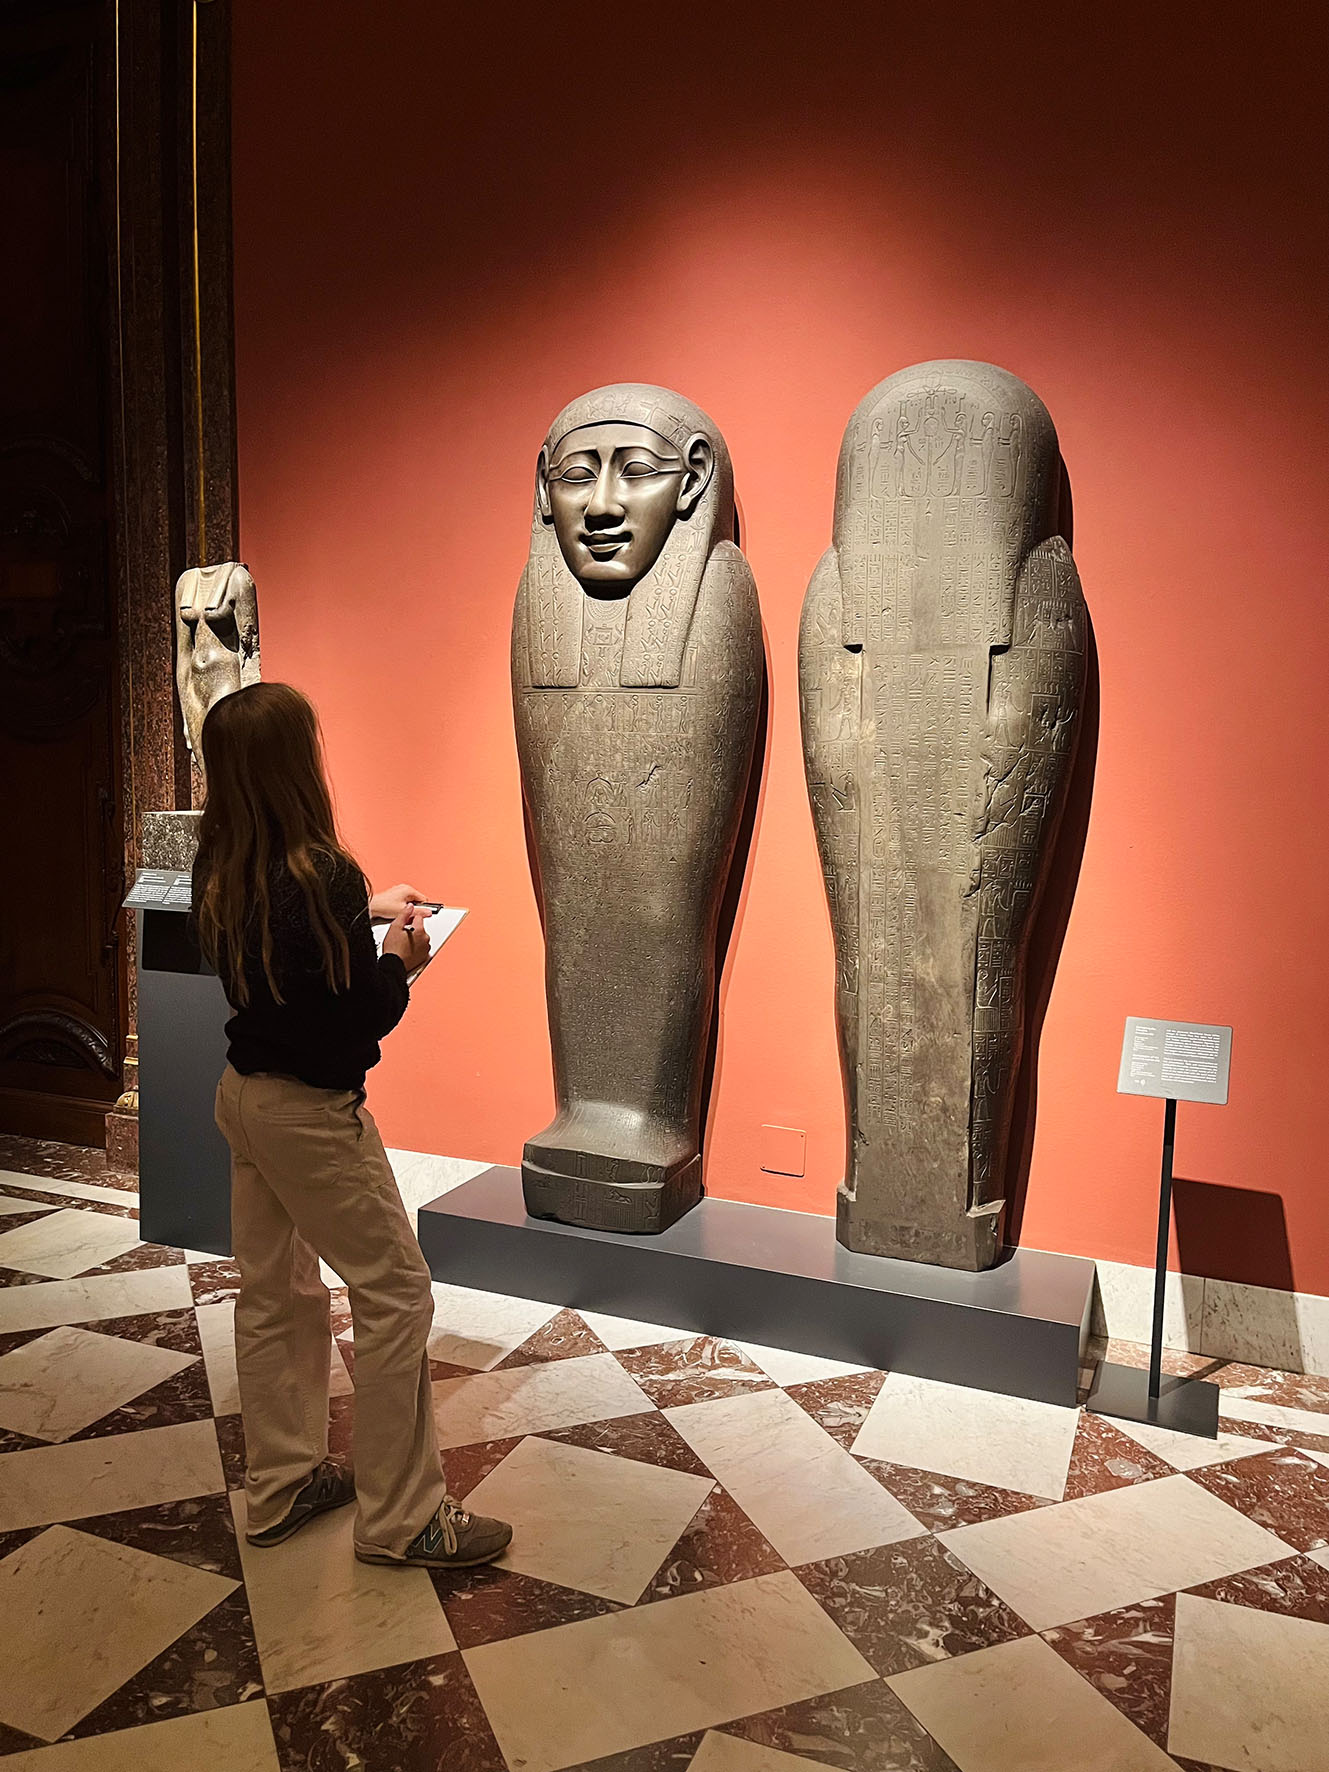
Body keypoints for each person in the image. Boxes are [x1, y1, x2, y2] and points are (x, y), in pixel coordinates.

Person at [193, 681, 511, 1569]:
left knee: (275, 1293)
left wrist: (360, 911)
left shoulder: (222, 863)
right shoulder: (320, 872)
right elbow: (350, 1019)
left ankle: (283, 1482)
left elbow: (288, 958)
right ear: (298, 761)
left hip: (243, 1096)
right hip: (309, 1114)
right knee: (396, 1292)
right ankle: (405, 1518)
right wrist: (399, 960)